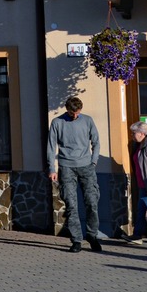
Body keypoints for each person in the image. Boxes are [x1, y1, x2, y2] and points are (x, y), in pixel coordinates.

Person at [47, 97, 101, 253]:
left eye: (78, 113)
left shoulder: (88, 120)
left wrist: (94, 161)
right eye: (72, 113)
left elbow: (96, 142)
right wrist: (52, 169)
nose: (75, 116)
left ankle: (92, 236)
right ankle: (76, 240)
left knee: (92, 202)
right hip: (66, 168)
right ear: (67, 110)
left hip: (87, 167)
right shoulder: (57, 123)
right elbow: (51, 147)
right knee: (71, 205)